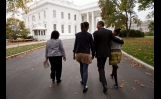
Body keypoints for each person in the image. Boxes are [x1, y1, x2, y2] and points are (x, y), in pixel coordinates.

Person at [93, 21, 124, 92]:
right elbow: (115, 39)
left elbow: (95, 45)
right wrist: (122, 41)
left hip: (99, 53)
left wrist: (93, 54)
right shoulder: (109, 32)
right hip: (106, 53)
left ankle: (104, 84)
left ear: (100, 25)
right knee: (101, 66)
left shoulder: (96, 33)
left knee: (100, 67)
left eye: (97, 24)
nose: (96, 26)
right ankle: (101, 77)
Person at [73, 21, 95, 93]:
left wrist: (74, 54)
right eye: (88, 26)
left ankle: (82, 80)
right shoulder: (89, 35)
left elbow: (75, 45)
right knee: (85, 70)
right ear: (87, 27)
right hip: (86, 54)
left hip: (78, 54)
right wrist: (93, 54)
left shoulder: (77, 35)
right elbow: (92, 46)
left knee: (81, 67)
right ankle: (84, 86)